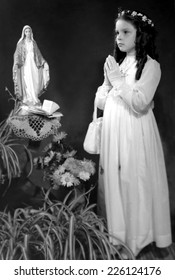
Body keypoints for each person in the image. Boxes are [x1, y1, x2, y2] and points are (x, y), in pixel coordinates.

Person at [95, 9, 172, 257]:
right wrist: (107, 85)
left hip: (134, 132)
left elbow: (139, 102)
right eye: (117, 32)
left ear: (141, 35)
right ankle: (117, 238)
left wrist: (116, 81)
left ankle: (136, 240)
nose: (119, 37)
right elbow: (103, 103)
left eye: (126, 32)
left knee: (133, 181)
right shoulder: (119, 64)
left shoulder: (150, 66)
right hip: (114, 132)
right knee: (114, 183)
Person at [13, 25, 50, 107]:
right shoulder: (21, 43)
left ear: (31, 32)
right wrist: (16, 63)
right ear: (24, 33)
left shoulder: (33, 43)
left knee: (34, 79)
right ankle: (27, 98)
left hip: (33, 63)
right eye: (26, 31)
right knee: (27, 79)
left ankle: (34, 98)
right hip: (25, 64)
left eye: (29, 31)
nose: (28, 33)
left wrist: (44, 62)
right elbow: (17, 54)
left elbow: (38, 55)